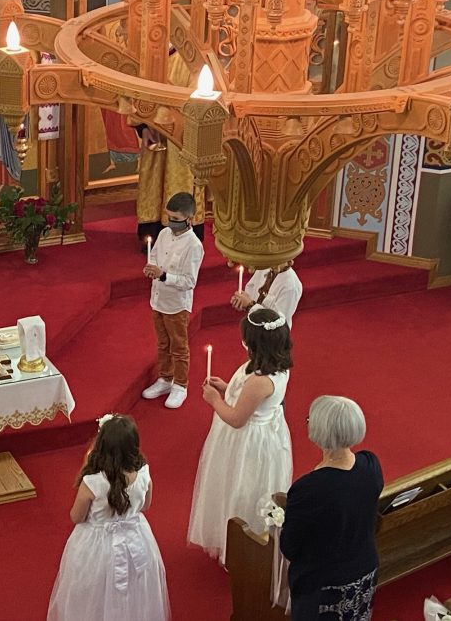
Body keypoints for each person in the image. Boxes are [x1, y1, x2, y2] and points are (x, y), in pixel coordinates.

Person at [187, 307, 294, 564]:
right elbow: (249, 396)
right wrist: (228, 387)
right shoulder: (273, 365)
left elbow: (236, 419)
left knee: (241, 488)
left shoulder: (261, 380)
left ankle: (241, 547)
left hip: (247, 442)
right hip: (257, 431)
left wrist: (214, 400)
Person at [47, 414, 170, 621]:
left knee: (95, 591)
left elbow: (76, 517)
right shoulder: (144, 473)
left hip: (96, 547)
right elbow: (146, 506)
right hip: (136, 540)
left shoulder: (93, 482)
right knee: (134, 587)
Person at [281, 396, 383, 621]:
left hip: (325, 584)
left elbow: (290, 546)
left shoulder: (309, 489)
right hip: (364, 568)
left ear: (319, 432)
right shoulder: (370, 465)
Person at [135, 50, 206, 246]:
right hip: (154, 131)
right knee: (153, 181)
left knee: (181, 180)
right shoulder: (150, 52)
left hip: (183, 137)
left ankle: (183, 236)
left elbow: (200, 99)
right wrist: (144, 126)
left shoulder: (194, 58)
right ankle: (153, 234)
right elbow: (136, 91)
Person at [141, 192, 205, 409]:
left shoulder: (194, 246)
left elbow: (189, 281)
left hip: (176, 304)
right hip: (158, 299)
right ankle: (165, 378)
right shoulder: (164, 234)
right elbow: (155, 255)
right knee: (162, 343)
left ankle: (180, 384)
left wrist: (162, 275)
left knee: (178, 346)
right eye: (169, 218)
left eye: (176, 220)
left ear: (190, 219)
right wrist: (151, 268)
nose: (171, 223)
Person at [231, 263, 303, 329]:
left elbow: (277, 322)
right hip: (253, 327)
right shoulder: (268, 265)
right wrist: (242, 300)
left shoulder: (290, 287)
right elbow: (252, 288)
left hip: (270, 337)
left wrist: (250, 305)